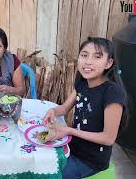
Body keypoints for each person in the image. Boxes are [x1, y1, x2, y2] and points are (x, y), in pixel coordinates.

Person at [43, 37, 128, 179]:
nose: (88, 61)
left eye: (97, 57)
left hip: (91, 161)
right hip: (72, 147)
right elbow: (64, 108)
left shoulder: (112, 93)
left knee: (49, 175)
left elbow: (108, 138)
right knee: (37, 158)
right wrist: (53, 111)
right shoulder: (82, 81)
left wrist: (69, 130)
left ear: (109, 63)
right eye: (84, 55)